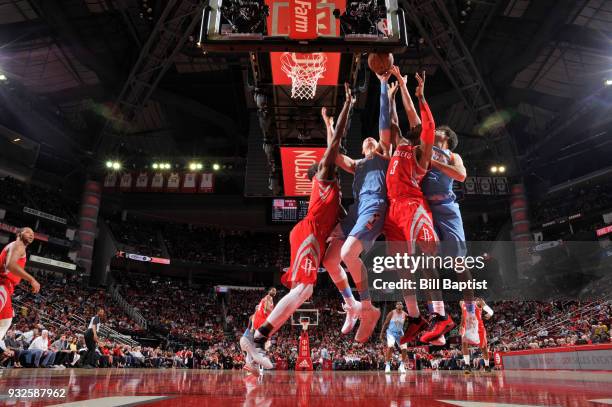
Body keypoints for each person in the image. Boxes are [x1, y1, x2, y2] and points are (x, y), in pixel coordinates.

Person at [243, 83, 355, 368]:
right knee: (304, 288)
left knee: (305, 292)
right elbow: (335, 145)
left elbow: (335, 144)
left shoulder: (335, 193)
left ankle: (257, 339)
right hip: (308, 235)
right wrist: (347, 106)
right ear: (321, 170)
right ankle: (255, 339)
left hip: (312, 237)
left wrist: (328, 124)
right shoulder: (324, 179)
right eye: (327, 162)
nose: (330, 161)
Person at [384, 67, 455, 344]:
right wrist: (393, 92)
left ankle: (440, 315)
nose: (412, 123)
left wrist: (421, 96)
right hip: (394, 211)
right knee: (402, 267)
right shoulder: (401, 141)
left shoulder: (422, 153)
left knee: (425, 260)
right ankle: (415, 318)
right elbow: (394, 123)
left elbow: (427, 124)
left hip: (413, 207)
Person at [322, 72, 392, 342]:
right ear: (363, 149)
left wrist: (383, 85)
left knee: (350, 253)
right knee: (329, 261)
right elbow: (333, 153)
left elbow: (384, 123)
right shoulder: (357, 164)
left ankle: (368, 306)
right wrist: (330, 125)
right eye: (366, 142)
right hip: (356, 211)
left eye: (372, 140)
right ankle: (351, 304)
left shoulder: (383, 157)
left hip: (375, 206)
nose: (369, 141)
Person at [421, 123, 479, 344]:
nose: (434, 130)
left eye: (439, 129)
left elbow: (461, 176)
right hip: (425, 208)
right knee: (425, 262)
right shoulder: (424, 148)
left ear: (446, 136)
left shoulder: (453, 155)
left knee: (459, 262)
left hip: (447, 209)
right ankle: (439, 316)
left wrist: (432, 162)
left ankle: (471, 314)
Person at [0, 228, 41, 342]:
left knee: (6, 319)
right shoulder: (19, 244)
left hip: (6, 287)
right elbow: (10, 265)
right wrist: (32, 279)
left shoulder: (16, 246)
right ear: (19, 234)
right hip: (2, 284)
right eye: (28, 232)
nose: (31, 235)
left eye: (33, 234)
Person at [460, 298, 493, 373]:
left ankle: (487, 366)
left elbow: (489, 310)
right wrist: (461, 325)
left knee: (483, 347)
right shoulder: (461, 302)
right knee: (464, 344)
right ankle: (467, 365)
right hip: (467, 327)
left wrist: (490, 313)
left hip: (478, 328)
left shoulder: (479, 301)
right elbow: (463, 315)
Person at [380, 301, 409, 373]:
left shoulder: (405, 314)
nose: (399, 305)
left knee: (405, 348)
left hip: (400, 333)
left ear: (402, 306)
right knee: (390, 346)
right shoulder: (392, 313)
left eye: (401, 304)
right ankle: (387, 365)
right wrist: (381, 333)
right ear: (396, 306)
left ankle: (402, 366)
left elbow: (410, 323)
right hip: (391, 332)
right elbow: (386, 323)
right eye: (398, 304)